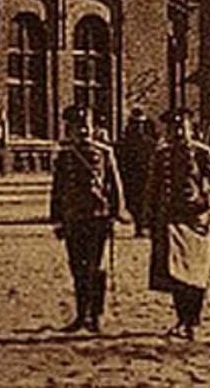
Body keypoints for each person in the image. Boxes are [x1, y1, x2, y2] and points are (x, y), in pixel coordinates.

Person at [143, 108, 210, 340]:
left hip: (195, 221)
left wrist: (205, 202)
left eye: (183, 128)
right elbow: (152, 188)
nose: (178, 132)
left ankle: (194, 320)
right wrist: (147, 218)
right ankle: (182, 319)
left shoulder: (201, 152)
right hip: (170, 220)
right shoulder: (162, 155)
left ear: (191, 129)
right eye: (173, 128)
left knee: (195, 272)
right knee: (176, 272)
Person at [49, 105, 124, 333]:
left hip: (97, 216)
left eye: (86, 126)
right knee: (77, 267)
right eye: (77, 127)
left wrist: (115, 213)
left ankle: (96, 314)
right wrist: (57, 219)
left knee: (95, 267)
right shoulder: (64, 156)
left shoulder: (104, 152)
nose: (83, 130)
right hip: (73, 217)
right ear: (69, 130)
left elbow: (114, 186)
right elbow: (58, 189)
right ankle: (82, 315)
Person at [117, 108, 158, 237]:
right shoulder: (124, 143)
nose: (137, 128)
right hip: (130, 177)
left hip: (146, 176)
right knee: (133, 202)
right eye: (135, 124)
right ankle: (139, 225)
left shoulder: (150, 143)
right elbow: (120, 160)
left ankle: (144, 225)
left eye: (140, 124)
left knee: (145, 201)